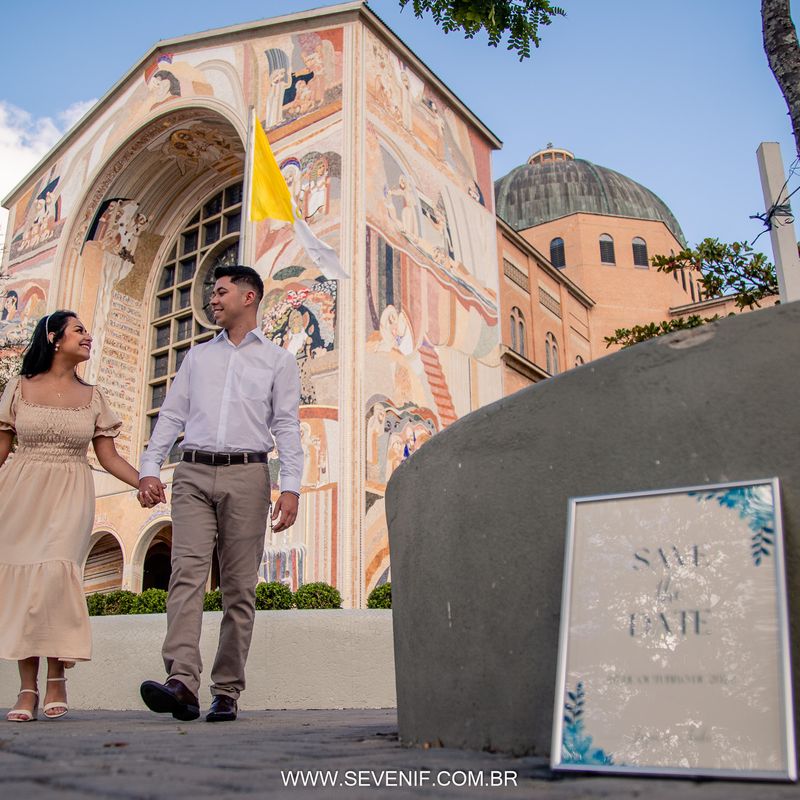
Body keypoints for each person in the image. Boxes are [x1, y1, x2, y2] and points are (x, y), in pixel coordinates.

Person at [138, 265, 302, 723]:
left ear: (249, 297)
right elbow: (170, 416)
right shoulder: (197, 358)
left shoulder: (279, 361)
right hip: (191, 472)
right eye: (212, 292)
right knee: (185, 575)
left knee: (239, 589)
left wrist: (290, 486)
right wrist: (150, 468)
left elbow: (287, 424)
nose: (213, 299)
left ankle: (226, 690)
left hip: (248, 475)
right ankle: (182, 683)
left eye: (222, 291)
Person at [0, 311, 143, 722]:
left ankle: (57, 676)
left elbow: (108, 456)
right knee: (26, 584)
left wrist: (144, 483)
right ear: (53, 337)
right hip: (18, 492)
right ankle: (27, 687)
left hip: (70, 490)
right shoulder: (18, 389)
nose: (88, 336)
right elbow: (1, 449)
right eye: (79, 330)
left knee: (54, 575)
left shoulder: (93, 396)